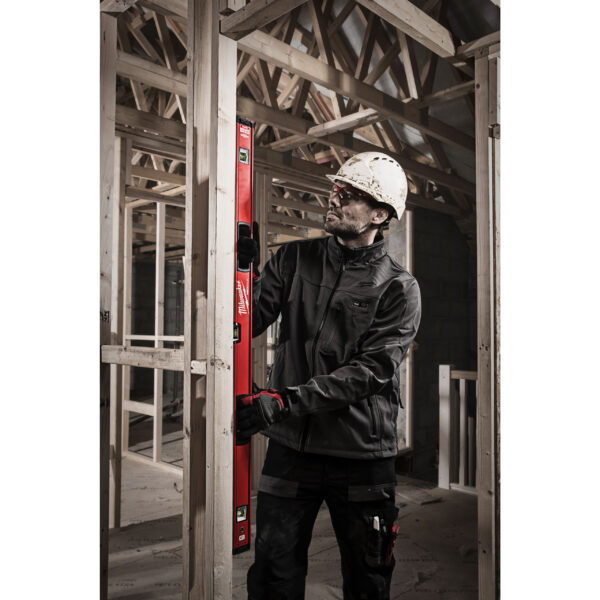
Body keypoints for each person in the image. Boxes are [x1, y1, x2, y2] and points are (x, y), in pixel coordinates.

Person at [236, 151, 422, 600]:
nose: (335, 198)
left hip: (360, 454)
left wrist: (285, 401)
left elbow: (369, 372)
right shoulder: (294, 259)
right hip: (291, 447)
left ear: (380, 215)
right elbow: (245, 322)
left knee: (367, 579)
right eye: (337, 189)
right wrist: (236, 275)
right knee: (273, 576)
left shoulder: (398, 287)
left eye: (351, 194)